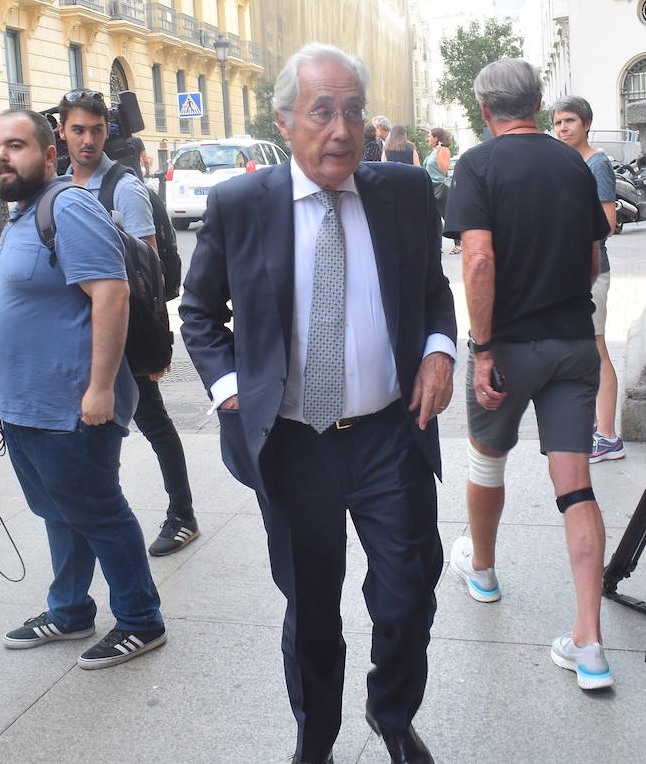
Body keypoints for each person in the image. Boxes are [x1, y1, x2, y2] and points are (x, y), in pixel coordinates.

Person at [181, 43, 456, 764]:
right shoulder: (240, 203)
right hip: (294, 442)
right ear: (285, 121)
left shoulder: (402, 193)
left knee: (407, 597)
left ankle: (391, 713)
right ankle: (316, 740)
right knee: (312, 610)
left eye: (353, 111)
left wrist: (439, 349)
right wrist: (232, 391)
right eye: (323, 111)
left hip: (388, 436)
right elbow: (199, 312)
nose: (342, 129)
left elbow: (433, 290)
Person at [442, 59, 614, 691]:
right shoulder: (573, 162)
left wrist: (483, 347)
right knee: (575, 484)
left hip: (509, 345)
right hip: (573, 342)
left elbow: (478, 259)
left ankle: (482, 570)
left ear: (486, 111)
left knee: (487, 458)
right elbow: (593, 255)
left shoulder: (478, 165)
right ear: (538, 107)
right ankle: (590, 644)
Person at [0, 108, 167, 669]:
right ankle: (68, 610)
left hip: (70, 404)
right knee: (60, 511)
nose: (1, 158)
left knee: (97, 511)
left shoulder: (68, 205)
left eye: (15, 146)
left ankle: (140, 619)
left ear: (48, 154)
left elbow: (111, 295)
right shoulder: (25, 215)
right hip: (27, 405)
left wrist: (100, 390)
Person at [60, 90, 200, 555]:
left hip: (121, 330)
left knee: (152, 421)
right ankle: (96, 517)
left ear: (107, 132)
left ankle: (182, 514)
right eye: (78, 129)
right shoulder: (59, 186)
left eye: (96, 130)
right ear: (62, 131)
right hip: (77, 333)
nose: (87, 139)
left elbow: (148, 273)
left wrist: (156, 346)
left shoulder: (123, 188)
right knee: (93, 429)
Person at [552, 96, 624, 462]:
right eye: (558, 122)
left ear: (586, 124)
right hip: (573, 273)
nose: (563, 128)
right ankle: (597, 429)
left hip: (594, 272)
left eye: (570, 121)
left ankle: (608, 436)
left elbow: (607, 223)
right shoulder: (567, 162)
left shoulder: (596, 164)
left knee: (596, 351)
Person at [422, 127, 453, 225]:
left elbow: (444, 169)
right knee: (433, 219)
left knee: (448, 217)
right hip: (431, 187)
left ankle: (459, 239)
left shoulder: (443, 150)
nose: (428, 138)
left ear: (436, 138)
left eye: (429, 136)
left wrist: (438, 154)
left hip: (441, 188)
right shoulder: (432, 151)